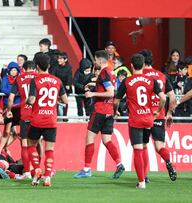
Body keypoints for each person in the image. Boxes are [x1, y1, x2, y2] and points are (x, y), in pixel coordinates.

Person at [114, 53, 167, 189]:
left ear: (131, 65)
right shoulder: (151, 81)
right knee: (144, 147)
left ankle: (142, 181)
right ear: (143, 65)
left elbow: (116, 100)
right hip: (148, 119)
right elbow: (163, 98)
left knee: (137, 150)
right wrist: (157, 110)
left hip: (136, 120)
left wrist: (116, 111)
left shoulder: (127, 81)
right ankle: (145, 176)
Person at [74, 50, 125, 179]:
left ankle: (86, 169)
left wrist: (93, 93)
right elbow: (106, 85)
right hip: (109, 111)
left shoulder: (103, 72)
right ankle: (119, 163)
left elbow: (110, 92)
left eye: (95, 59)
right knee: (107, 140)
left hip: (100, 110)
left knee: (89, 138)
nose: (94, 62)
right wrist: (94, 84)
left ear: (100, 60)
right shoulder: (111, 71)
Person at [26, 53, 68, 187]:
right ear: (49, 66)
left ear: (37, 66)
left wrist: (27, 101)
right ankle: (48, 176)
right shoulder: (57, 80)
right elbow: (66, 101)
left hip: (37, 119)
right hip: (51, 119)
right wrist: (55, 99)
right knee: (49, 149)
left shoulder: (35, 80)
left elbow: (31, 100)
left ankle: (37, 169)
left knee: (31, 144)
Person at [140, 49, 177, 182]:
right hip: (160, 116)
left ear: (142, 61)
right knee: (159, 146)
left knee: (142, 146)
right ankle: (168, 162)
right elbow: (172, 97)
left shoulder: (140, 75)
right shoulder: (162, 75)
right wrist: (169, 113)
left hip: (143, 116)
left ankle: (143, 176)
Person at [1, 60, 38, 179]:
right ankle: (40, 170)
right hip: (38, 114)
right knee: (38, 145)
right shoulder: (39, 77)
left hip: (25, 114)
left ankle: (27, 172)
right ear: (34, 68)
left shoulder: (20, 78)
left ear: (24, 69)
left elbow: (11, 97)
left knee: (25, 144)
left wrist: (10, 110)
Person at [51, 52, 73, 120]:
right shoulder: (55, 67)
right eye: (58, 58)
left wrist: (68, 84)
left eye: (60, 59)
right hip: (57, 86)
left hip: (65, 88)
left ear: (65, 60)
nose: (58, 60)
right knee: (56, 102)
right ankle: (57, 117)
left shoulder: (69, 67)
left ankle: (64, 116)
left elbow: (69, 77)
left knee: (65, 102)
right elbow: (53, 76)